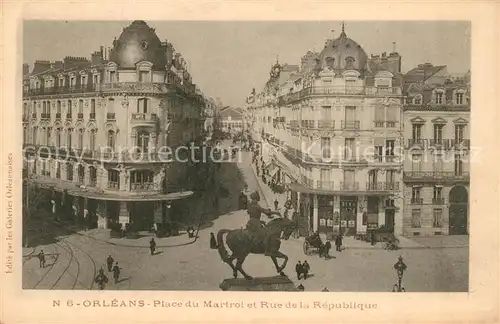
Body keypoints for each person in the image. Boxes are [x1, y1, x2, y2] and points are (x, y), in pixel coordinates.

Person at [246, 191, 281, 256]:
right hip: (256, 224)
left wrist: (261, 221)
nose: (257, 200)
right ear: (255, 199)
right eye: (257, 199)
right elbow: (266, 212)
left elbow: (251, 214)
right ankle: (267, 251)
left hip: (250, 222)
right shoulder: (256, 206)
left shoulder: (250, 205)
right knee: (267, 234)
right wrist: (276, 213)